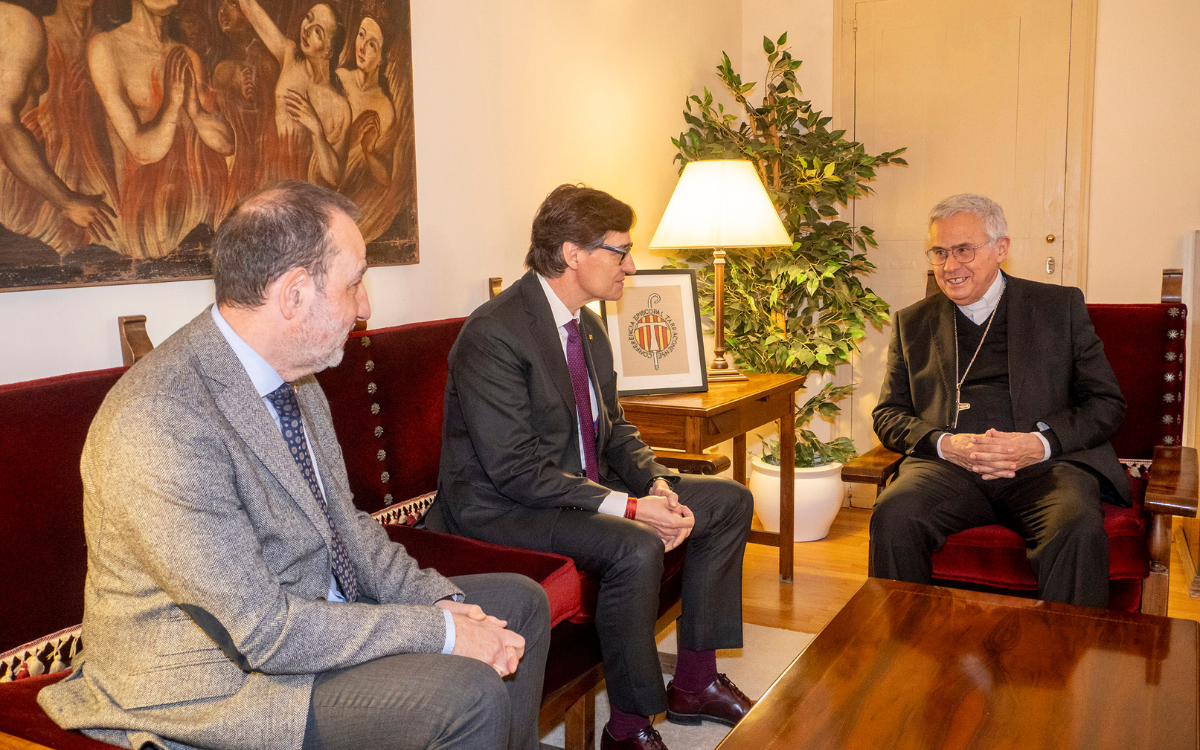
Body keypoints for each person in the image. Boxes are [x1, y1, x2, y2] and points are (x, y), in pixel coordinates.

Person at [37, 180, 550, 750]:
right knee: (465, 693)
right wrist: (444, 633)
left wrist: (443, 604)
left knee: (520, 603)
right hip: (214, 682)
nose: (365, 307)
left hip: (311, 617)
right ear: (295, 294)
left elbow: (345, 526)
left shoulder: (295, 378)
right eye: (354, 283)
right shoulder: (160, 420)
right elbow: (262, 631)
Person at [426, 184, 756, 750]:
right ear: (572, 253)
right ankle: (627, 729)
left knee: (727, 502)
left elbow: (614, 428)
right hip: (501, 509)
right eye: (620, 251)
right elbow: (514, 469)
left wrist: (654, 482)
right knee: (635, 543)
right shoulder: (495, 334)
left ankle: (695, 682)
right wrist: (632, 507)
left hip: (572, 488)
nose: (631, 266)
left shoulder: (587, 326)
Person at [869, 193, 1129, 608]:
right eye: (939, 252)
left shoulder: (1058, 307)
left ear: (1001, 249)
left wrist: (1038, 443)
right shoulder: (912, 322)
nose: (950, 266)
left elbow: (1105, 402)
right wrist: (943, 444)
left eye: (964, 250)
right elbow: (888, 414)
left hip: (1043, 465)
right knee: (895, 514)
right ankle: (905, 652)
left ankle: (1067, 662)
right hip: (949, 467)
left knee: (1075, 526)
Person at [88, 0, 234, 257]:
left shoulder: (187, 56)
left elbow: (226, 145)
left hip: (196, 214)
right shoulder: (106, 47)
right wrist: (171, 103)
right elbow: (141, 150)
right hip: (145, 222)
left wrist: (195, 111)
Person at [0, 0, 117, 254]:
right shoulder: (24, 27)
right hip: (33, 186)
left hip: (93, 186)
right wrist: (65, 200)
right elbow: (4, 124)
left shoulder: (108, 39)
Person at [235, 0, 351, 188]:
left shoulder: (340, 106)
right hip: (268, 172)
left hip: (301, 190)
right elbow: (250, 8)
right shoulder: (289, 55)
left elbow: (335, 177)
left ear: (329, 51)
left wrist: (317, 130)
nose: (306, 29)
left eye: (317, 31)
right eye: (308, 18)